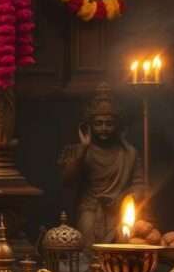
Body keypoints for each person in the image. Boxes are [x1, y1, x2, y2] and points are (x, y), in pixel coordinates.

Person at [58, 82, 145, 248]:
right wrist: (82, 151)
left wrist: (124, 198)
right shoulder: (81, 151)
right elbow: (67, 181)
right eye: (98, 123)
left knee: (123, 241)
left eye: (109, 123)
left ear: (117, 126)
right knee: (88, 246)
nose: (104, 128)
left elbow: (139, 184)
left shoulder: (128, 153)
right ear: (89, 125)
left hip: (119, 207)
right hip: (89, 206)